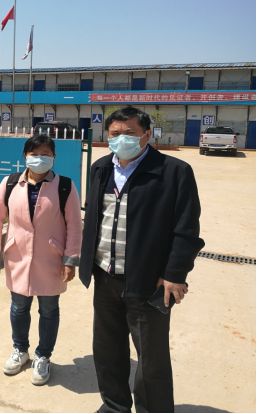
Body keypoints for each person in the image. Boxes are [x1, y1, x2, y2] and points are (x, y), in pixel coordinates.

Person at [79, 107, 205, 413]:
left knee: (151, 358)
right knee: (108, 349)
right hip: (106, 276)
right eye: (114, 134)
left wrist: (175, 273)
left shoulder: (173, 171)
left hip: (149, 282)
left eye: (129, 133)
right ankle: (114, 406)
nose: (121, 139)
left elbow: (186, 229)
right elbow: (95, 218)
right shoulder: (100, 168)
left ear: (147, 135)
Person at [0, 134, 83, 386]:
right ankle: (20, 350)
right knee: (19, 307)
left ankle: (43, 356)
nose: (40, 159)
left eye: (45, 154)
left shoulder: (65, 186)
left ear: (54, 157)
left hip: (51, 259)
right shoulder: (10, 183)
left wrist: (70, 259)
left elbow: (74, 225)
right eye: (34, 154)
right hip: (17, 257)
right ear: (25, 156)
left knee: (49, 310)